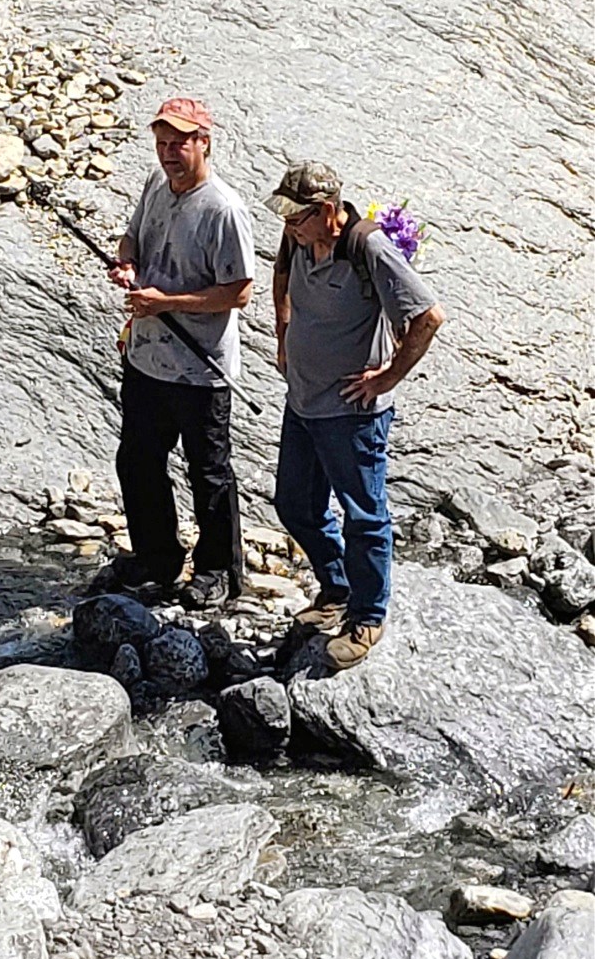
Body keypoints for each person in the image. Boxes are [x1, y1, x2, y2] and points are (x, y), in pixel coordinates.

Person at [266, 161, 445, 670]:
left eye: (295, 214)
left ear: (327, 211)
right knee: (295, 504)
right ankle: (337, 588)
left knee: (364, 516)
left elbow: (428, 316)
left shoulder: (368, 247)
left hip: (352, 412)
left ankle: (367, 617)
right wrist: (283, 335)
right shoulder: (298, 238)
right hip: (302, 401)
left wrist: (387, 378)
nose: (287, 224)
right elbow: (280, 275)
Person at [107, 96, 255, 611]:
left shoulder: (224, 209)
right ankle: (157, 557)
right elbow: (131, 239)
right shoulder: (155, 185)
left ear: (204, 142)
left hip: (202, 367)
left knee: (208, 473)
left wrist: (165, 302)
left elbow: (238, 292)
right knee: (138, 461)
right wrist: (126, 264)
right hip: (146, 357)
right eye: (163, 143)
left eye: (180, 143)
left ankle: (219, 571)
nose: (169, 153)